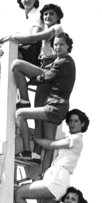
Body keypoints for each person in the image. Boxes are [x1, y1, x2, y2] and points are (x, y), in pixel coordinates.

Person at [12, 110, 89, 203]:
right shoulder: (73, 139)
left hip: (57, 180)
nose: (72, 124)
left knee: (19, 193)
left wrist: (33, 138)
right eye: (70, 121)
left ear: (83, 124)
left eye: (76, 121)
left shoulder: (75, 139)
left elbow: (50, 145)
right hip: (60, 181)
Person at [12, 32, 76, 166]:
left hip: (55, 107)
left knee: (19, 114)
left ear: (68, 46)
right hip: (58, 107)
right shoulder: (62, 60)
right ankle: (44, 174)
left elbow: (46, 77)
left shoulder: (64, 61)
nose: (58, 47)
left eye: (61, 45)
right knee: (49, 143)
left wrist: (30, 81)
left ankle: (26, 150)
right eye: (56, 45)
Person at [0, 0, 43, 100]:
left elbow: (33, 38)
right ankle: (9, 103)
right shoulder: (22, 18)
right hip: (20, 51)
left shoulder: (38, 15)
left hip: (31, 52)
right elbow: (15, 38)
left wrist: (12, 39)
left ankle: (5, 103)